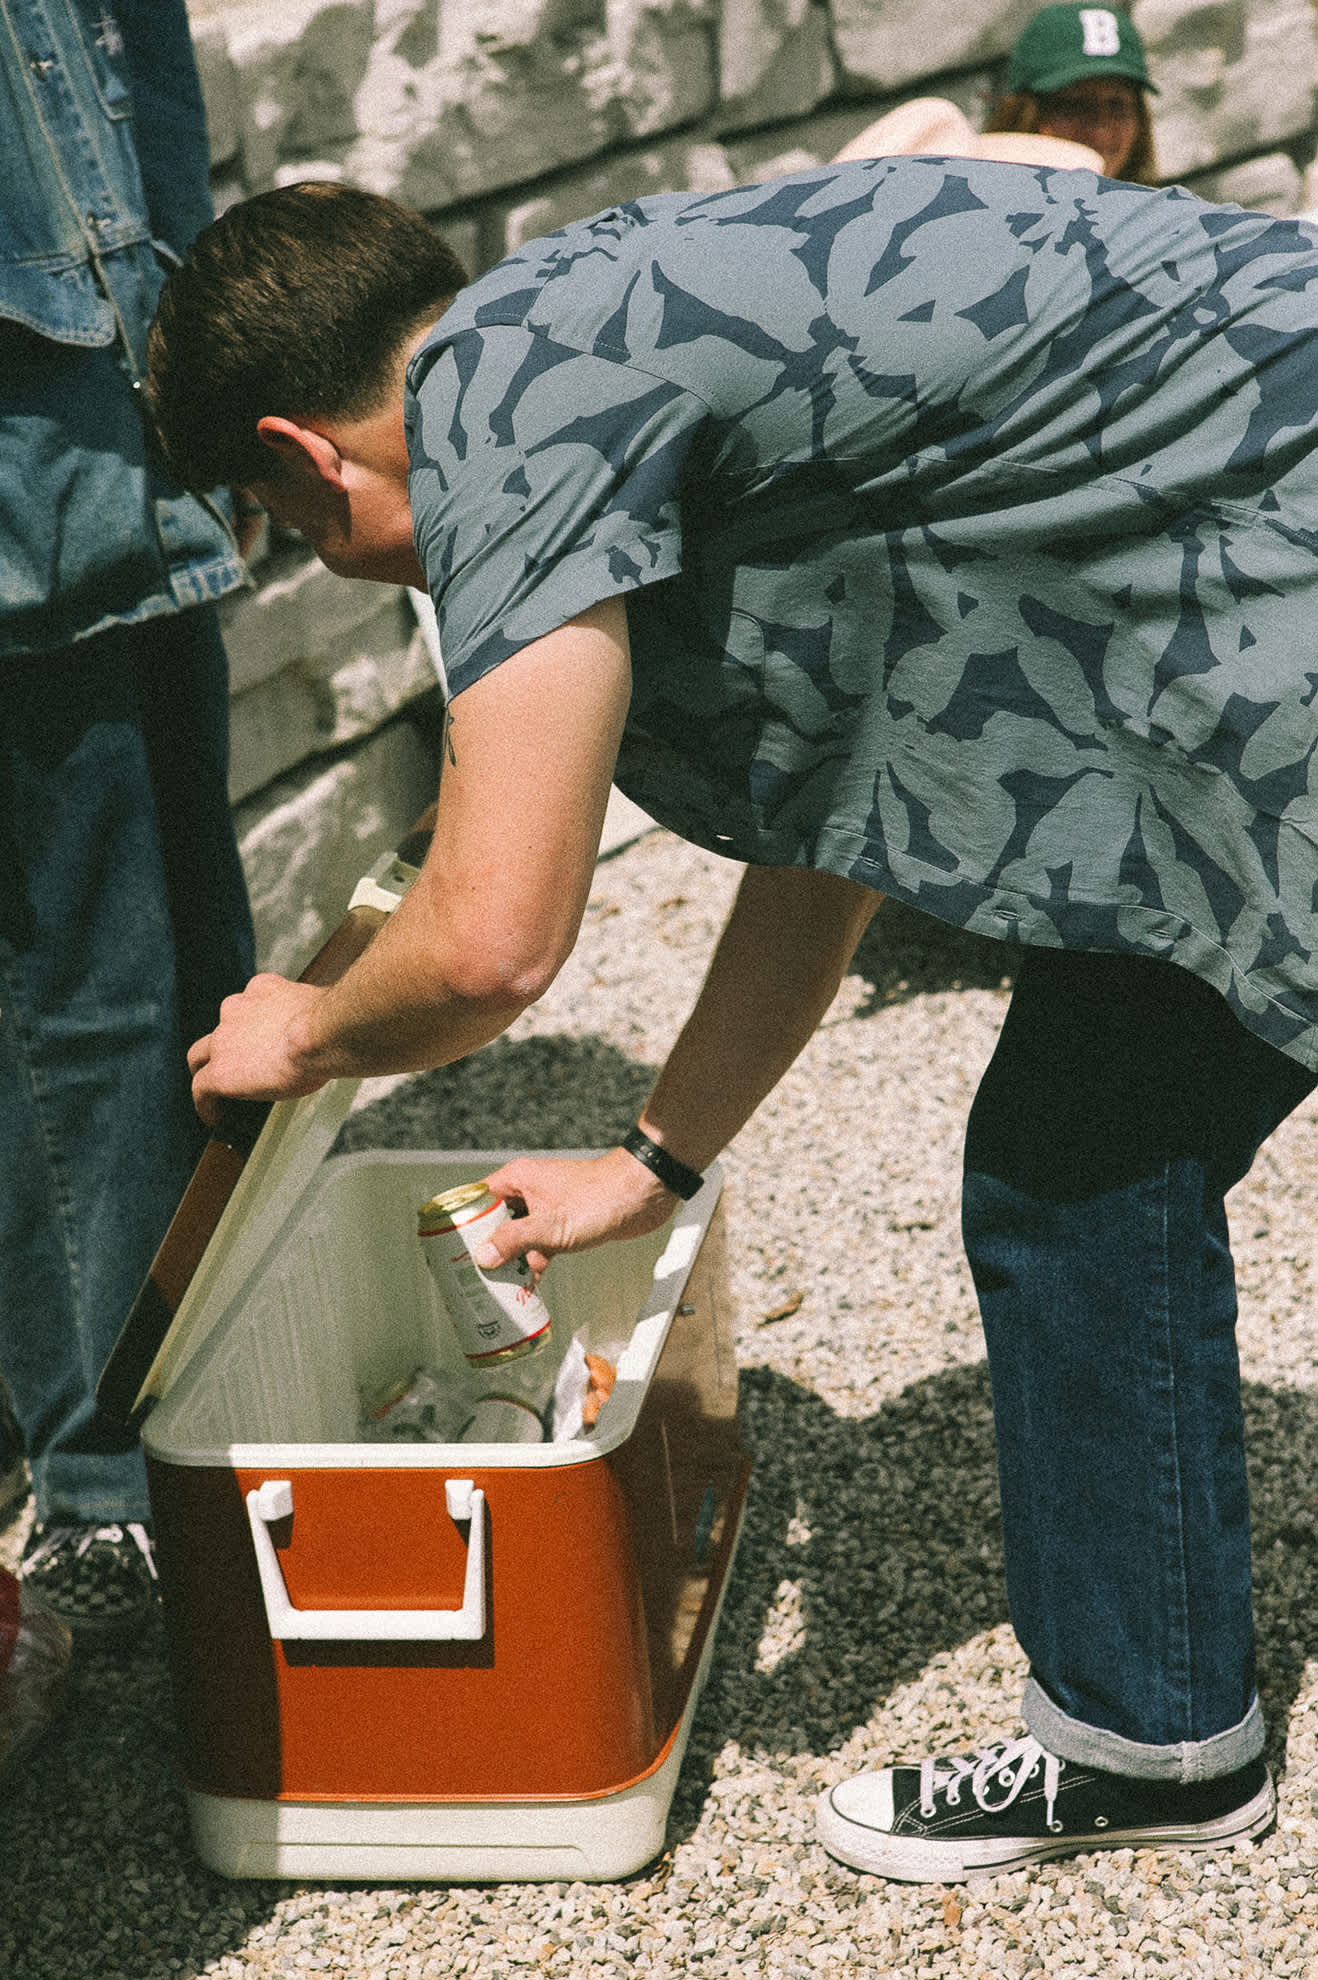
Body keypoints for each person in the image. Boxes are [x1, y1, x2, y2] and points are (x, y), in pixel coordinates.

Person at [146, 156, 1318, 1881]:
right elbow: (841, 817)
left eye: (294, 538)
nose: (340, 572)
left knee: (1080, 1165)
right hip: (1233, 579)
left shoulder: (510, 417)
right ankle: (1150, 1729)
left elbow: (489, 943)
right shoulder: (591, 330)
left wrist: (307, 1031)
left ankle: (1147, 1740)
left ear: (298, 458)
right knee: (1082, 1154)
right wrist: (651, 1160)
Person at [0, 0, 254, 1641]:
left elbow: (142, 74)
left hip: (125, 403)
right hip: (34, 446)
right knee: (80, 994)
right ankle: (104, 1490)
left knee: (194, 957)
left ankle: (205, 1392)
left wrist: (199, 355)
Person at [984, 3, 1159, 182]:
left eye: (1117, 106)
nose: (1101, 132)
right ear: (1023, 117)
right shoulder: (977, 204)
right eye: (1075, 107)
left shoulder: (1162, 208)